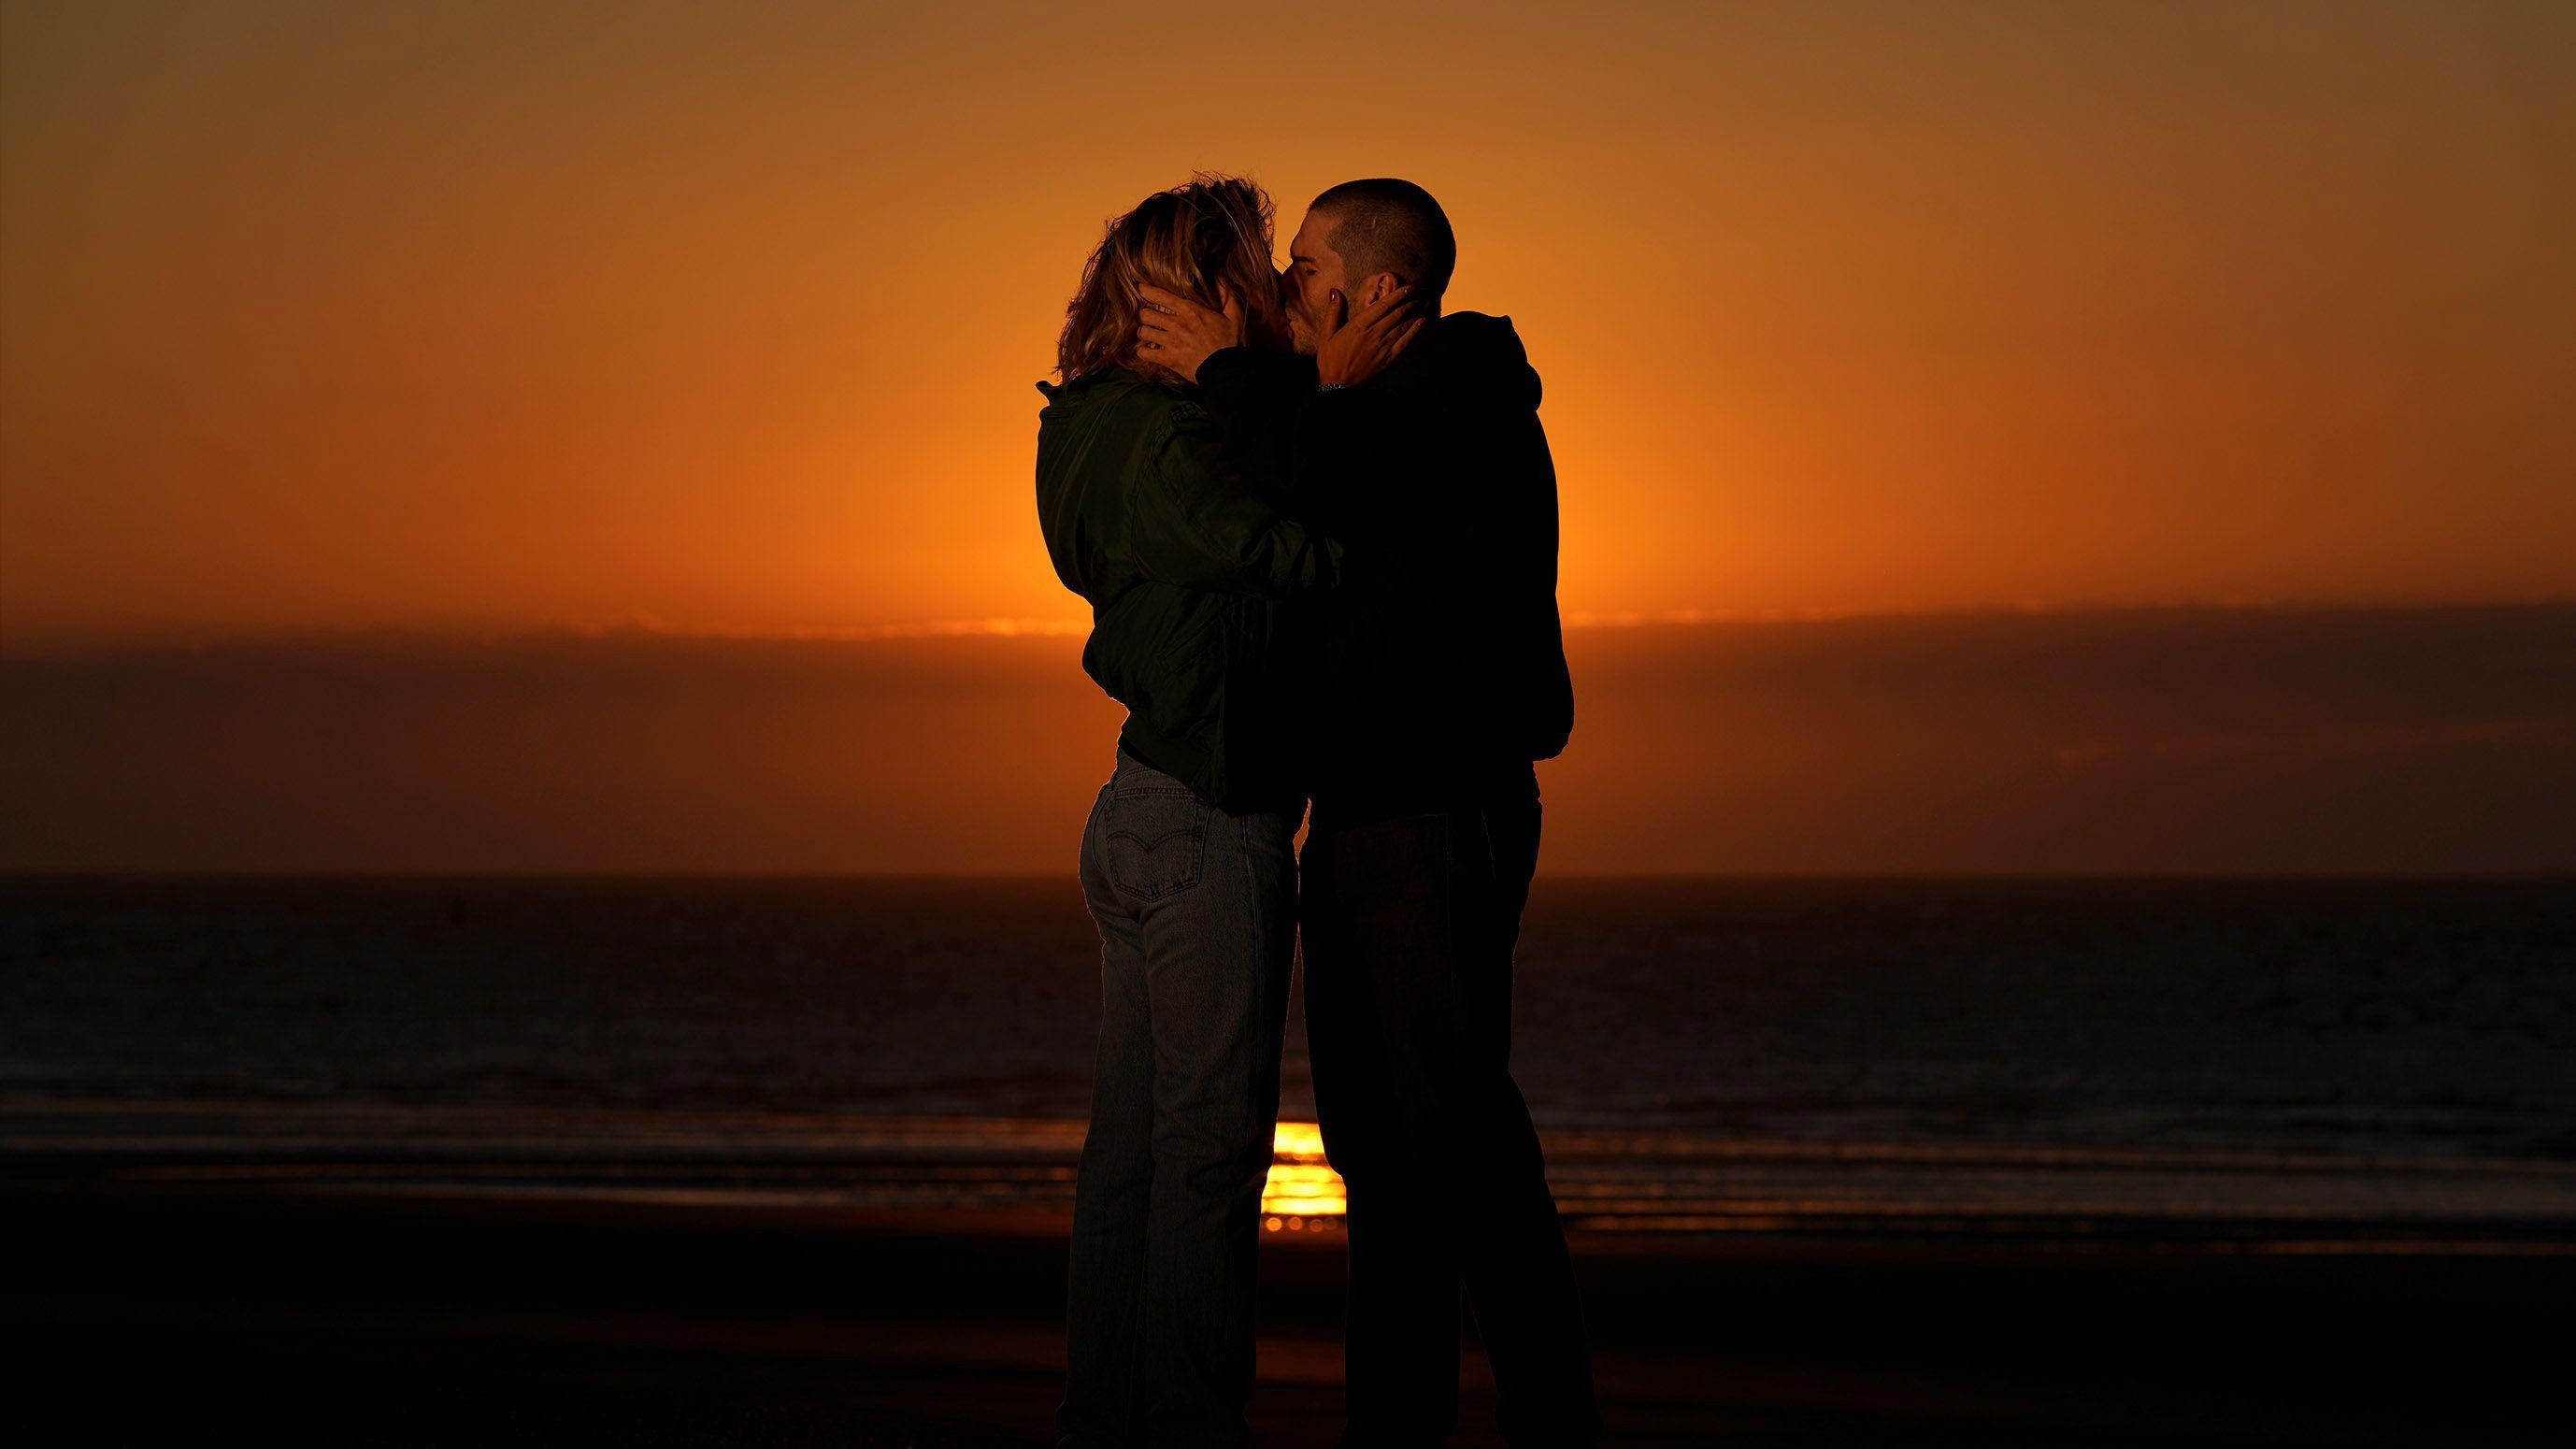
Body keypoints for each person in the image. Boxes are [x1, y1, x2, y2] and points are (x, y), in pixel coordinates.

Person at [1136, 178, 1602, 1449]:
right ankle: (1467, 1428)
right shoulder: (1393, 403)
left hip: (1425, 814)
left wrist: (1226, 366)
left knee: (1431, 1148)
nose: (1288, 289)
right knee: (1419, 1145)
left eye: (1306, 267)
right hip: (1388, 811)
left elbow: (1322, 470)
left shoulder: (1450, 399)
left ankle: (1493, 1431)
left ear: (1378, 289)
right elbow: (1322, 468)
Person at [1034, 173, 1414, 1449]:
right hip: (1209, 815)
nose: (1273, 293)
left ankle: (1105, 1417)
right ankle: (1187, 1430)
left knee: (1133, 1153)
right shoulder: (1170, 440)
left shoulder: (1086, 422)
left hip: (1142, 803)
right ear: (1202, 288)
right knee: (1205, 1156)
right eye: (1254, 269)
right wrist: (1312, 411)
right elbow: (1296, 550)